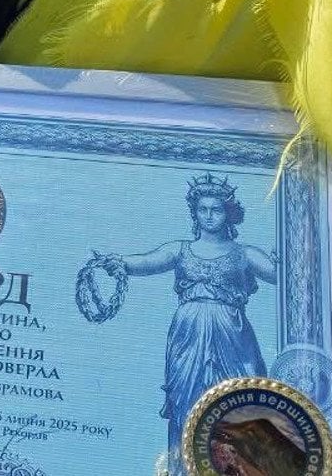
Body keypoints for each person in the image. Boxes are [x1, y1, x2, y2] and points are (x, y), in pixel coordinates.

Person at [94, 173, 277, 473]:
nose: (209, 216)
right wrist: (120, 262)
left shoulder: (244, 253)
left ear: (228, 213)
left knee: (240, 398)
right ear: (195, 213)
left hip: (232, 334)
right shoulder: (180, 249)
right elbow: (149, 261)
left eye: (216, 209)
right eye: (202, 209)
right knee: (186, 401)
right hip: (188, 335)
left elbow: (280, 274)